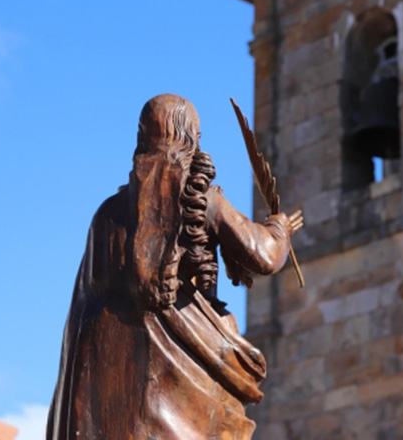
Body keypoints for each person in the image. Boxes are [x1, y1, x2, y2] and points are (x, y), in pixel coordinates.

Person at [46, 94, 302, 440]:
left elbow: (81, 310)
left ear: (141, 137)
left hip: (106, 393)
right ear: (193, 140)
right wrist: (279, 228)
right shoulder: (200, 199)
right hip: (177, 390)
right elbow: (264, 255)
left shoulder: (107, 215)